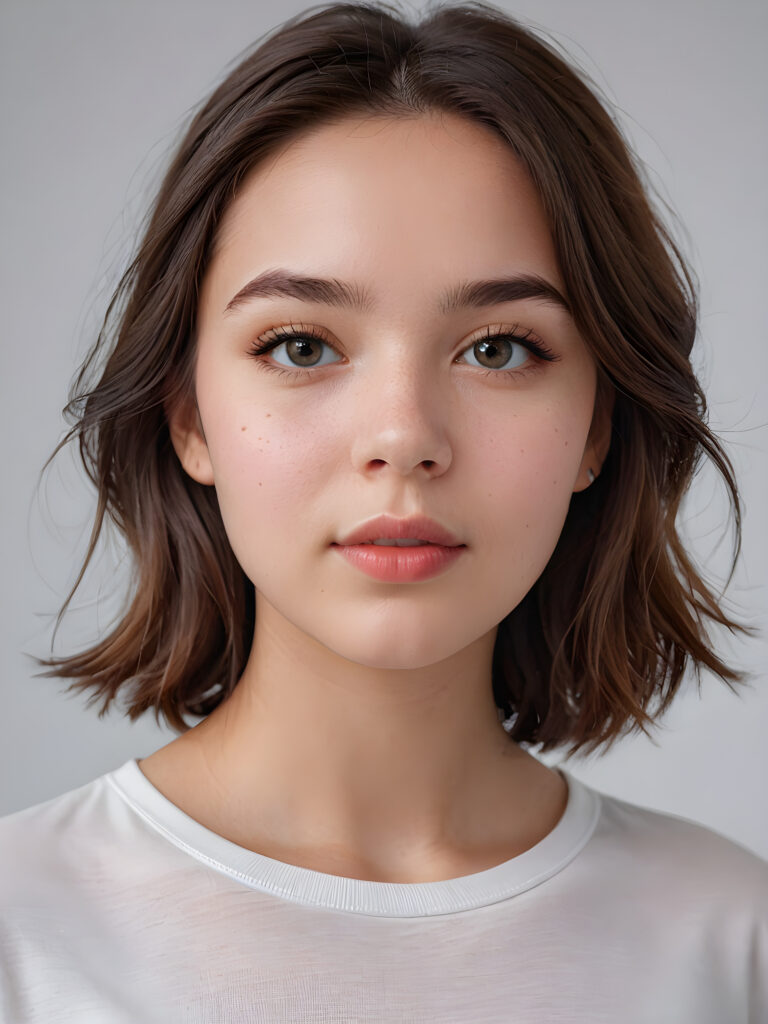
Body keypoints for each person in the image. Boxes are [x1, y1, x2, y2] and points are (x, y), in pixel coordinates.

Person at [1, 1, 765, 1021]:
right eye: (302, 345)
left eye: (499, 347)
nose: (403, 435)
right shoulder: (22, 931)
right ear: (188, 414)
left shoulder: (733, 940)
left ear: (598, 425)